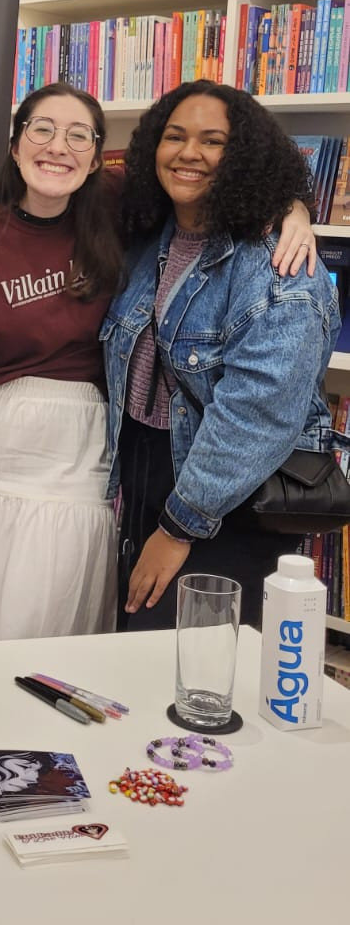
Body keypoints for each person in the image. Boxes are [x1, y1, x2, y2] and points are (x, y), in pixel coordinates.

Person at [0, 82, 318, 647]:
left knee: (104, 638)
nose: (57, 147)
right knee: (8, 632)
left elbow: (257, 408)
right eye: (41, 129)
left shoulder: (166, 225)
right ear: (15, 144)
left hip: (139, 478)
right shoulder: (6, 237)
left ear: (97, 157)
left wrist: (294, 209)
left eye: (78, 135)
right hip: (55, 464)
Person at [105, 81, 340, 630]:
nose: (190, 153)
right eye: (174, 137)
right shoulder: (148, 237)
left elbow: (255, 416)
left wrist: (179, 527)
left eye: (214, 141)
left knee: (189, 668)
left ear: (245, 158)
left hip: (223, 498)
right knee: (131, 653)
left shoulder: (278, 267)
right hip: (144, 476)